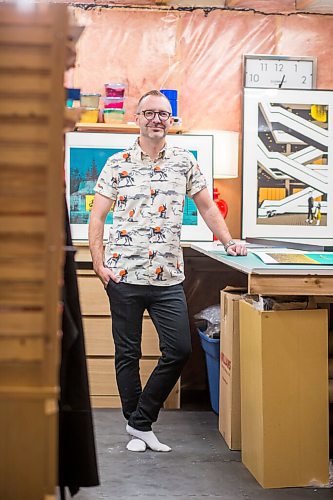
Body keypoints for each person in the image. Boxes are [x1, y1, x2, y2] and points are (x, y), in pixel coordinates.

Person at [88, 89, 247, 453]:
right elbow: (97, 216)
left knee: (178, 349)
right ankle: (137, 426)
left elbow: (207, 207)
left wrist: (228, 241)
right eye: (150, 113)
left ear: (171, 120)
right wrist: (99, 264)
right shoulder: (117, 163)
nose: (157, 119)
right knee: (126, 354)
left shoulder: (184, 161)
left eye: (164, 114)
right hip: (123, 276)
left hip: (167, 277)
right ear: (138, 118)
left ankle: (140, 421)